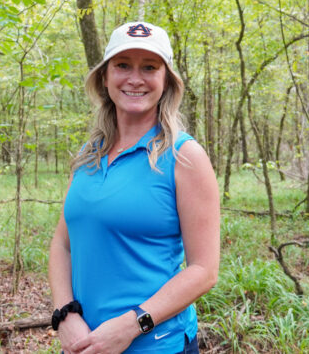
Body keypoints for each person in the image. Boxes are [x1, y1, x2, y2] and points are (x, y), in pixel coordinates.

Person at [49, 21, 220, 354]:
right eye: (123, 65)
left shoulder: (184, 157)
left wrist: (131, 325)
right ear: (105, 77)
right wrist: (65, 313)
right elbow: (62, 243)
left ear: (166, 80)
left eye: (149, 67)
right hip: (86, 345)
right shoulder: (89, 155)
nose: (135, 78)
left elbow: (204, 270)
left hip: (158, 345)